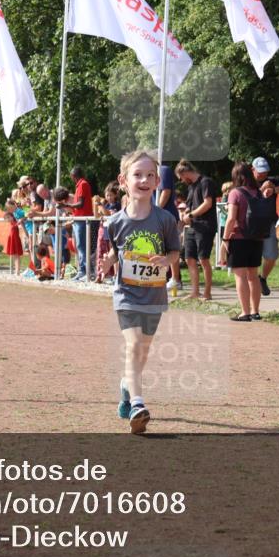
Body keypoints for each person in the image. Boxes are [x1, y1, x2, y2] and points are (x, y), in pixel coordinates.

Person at [101, 150, 181, 434]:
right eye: (137, 175)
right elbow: (115, 251)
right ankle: (138, 404)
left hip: (154, 296)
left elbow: (175, 252)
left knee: (142, 351)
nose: (144, 180)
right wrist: (108, 262)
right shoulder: (115, 222)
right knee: (134, 346)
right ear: (124, 181)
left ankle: (127, 386)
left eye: (150, 175)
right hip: (126, 295)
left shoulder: (165, 220)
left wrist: (167, 260)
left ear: (157, 181)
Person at [221, 161, 264, 321]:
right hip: (257, 238)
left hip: (239, 238)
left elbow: (231, 218)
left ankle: (245, 312)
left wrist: (225, 239)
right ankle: (255, 311)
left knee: (240, 276)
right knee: (253, 276)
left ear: (236, 176)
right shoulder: (258, 192)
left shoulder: (235, 193)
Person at [175, 159, 220, 301]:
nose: (182, 181)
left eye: (181, 177)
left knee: (203, 259)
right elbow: (190, 206)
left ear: (185, 173)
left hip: (205, 226)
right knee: (189, 258)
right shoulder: (191, 187)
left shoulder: (206, 182)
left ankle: (207, 293)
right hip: (192, 227)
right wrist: (186, 213)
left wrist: (191, 215)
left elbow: (208, 203)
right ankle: (195, 292)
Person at [251, 157, 279, 296]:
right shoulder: (247, 182)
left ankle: (262, 279)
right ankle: (252, 283)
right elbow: (247, 198)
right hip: (250, 225)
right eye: (260, 172)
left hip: (269, 224)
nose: (263, 174)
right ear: (252, 169)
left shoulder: (271, 181)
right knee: (251, 257)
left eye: (265, 171)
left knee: (272, 254)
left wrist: (273, 189)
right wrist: (262, 189)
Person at [56, 166, 94, 281]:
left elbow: (81, 204)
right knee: (80, 246)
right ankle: (83, 270)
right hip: (79, 219)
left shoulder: (83, 184)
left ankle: (86, 271)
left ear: (73, 176)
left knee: (82, 246)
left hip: (82, 219)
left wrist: (66, 205)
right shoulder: (80, 185)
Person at [157, 162, 182, 294]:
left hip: (167, 214)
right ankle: (166, 278)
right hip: (158, 214)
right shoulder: (150, 172)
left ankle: (175, 279)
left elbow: (166, 191)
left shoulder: (163, 169)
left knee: (171, 248)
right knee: (160, 248)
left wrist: (156, 210)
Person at [4, 199, 25, 275]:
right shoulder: (12, 221)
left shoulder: (16, 220)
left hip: (15, 239)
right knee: (14, 255)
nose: (8, 219)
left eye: (9, 217)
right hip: (12, 239)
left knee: (17, 255)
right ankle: (16, 270)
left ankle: (17, 271)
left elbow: (24, 215)